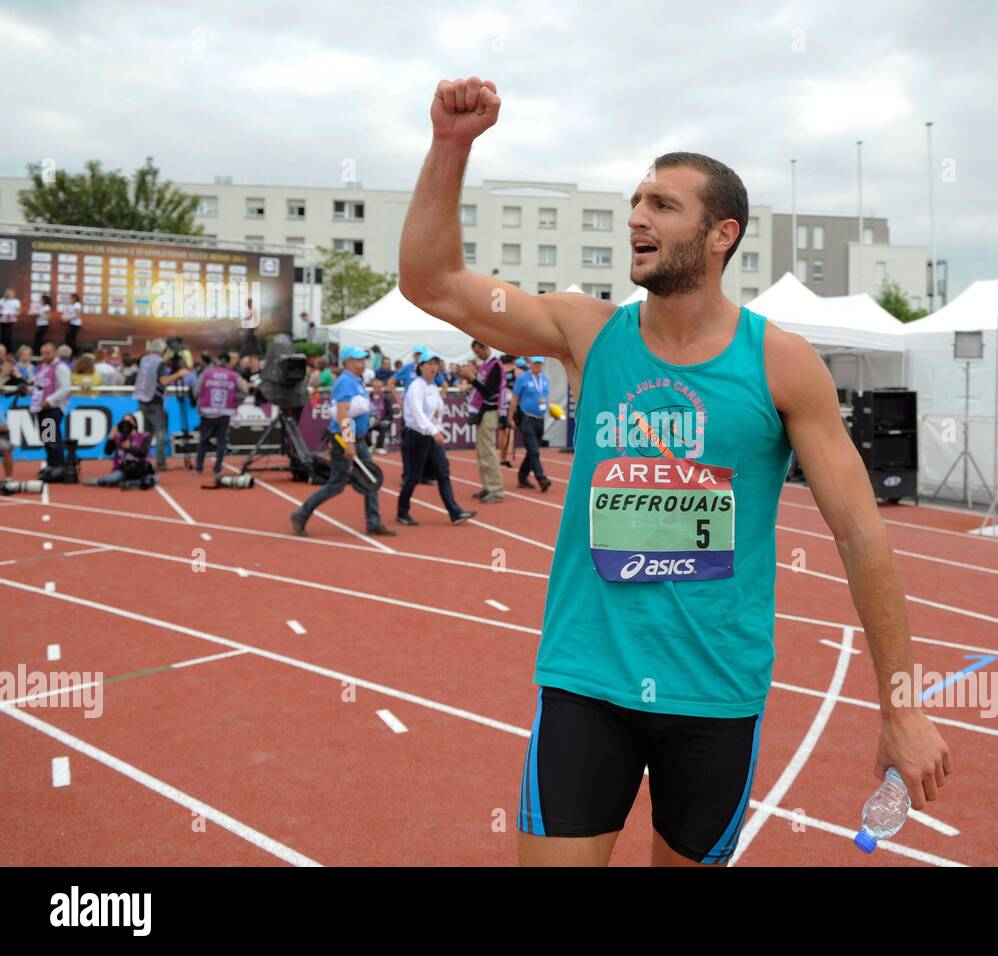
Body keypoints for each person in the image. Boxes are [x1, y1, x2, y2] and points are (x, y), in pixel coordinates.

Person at [397, 77, 950, 867]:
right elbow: (435, 285)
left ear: (722, 234)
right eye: (635, 201)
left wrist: (902, 708)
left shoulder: (781, 364)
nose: (636, 218)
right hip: (589, 680)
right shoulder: (585, 330)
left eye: (661, 204)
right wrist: (451, 148)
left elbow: (863, 535)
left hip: (715, 695)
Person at [289, 346, 396, 538]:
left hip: (359, 439)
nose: (362, 363)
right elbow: (342, 414)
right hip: (345, 440)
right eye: (358, 360)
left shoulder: (357, 380)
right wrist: (348, 443)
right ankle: (301, 514)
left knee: (371, 479)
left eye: (363, 360)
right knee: (336, 484)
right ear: (347, 362)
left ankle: (374, 522)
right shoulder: (345, 382)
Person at [396, 346, 477, 526]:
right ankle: (402, 512)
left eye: (435, 364)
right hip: (417, 436)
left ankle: (455, 512)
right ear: (421, 366)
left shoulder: (433, 386)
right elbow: (417, 413)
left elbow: (436, 413)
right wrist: (434, 431)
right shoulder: (416, 386)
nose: (433, 367)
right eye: (429, 364)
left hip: (432, 437)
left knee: (443, 473)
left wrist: (437, 430)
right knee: (413, 476)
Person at [134, 338, 188, 471]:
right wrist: (178, 374)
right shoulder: (159, 362)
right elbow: (163, 381)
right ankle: (160, 461)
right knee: (160, 432)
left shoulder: (145, 360)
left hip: (142, 398)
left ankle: (142, 458)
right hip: (154, 399)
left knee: (147, 432)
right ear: (163, 351)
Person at [193, 351, 249, 475]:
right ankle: (217, 469)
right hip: (225, 412)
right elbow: (245, 391)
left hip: (207, 411)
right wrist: (234, 399)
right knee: (222, 442)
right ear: (228, 362)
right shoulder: (233, 375)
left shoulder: (206, 374)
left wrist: (202, 398)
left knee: (203, 440)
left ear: (216, 361)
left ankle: (198, 468)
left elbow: (196, 391)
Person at [465, 339, 506, 503]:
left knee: (488, 451)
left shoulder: (495, 365)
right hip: (483, 412)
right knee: (481, 451)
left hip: (489, 412)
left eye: (479, 351)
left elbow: (489, 392)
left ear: (486, 347)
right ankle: (487, 486)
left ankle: (496, 490)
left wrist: (472, 379)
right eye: (476, 353)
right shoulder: (487, 365)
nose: (478, 355)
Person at [508, 356, 552, 492]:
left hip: (540, 419)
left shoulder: (544, 379)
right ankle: (541, 478)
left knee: (532, 451)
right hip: (526, 418)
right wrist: (510, 418)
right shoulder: (522, 379)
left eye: (540, 363)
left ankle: (522, 477)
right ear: (530, 363)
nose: (538, 365)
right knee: (534, 450)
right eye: (535, 362)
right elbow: (514, 400)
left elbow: (545, 398)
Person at [28, 342, 73, 472]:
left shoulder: (61, 368)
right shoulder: (41, 367)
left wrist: (49, 400)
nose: (45, 356)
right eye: (43, 353)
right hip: (41, 407)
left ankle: (57, 466)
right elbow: (39, 385)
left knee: (52, 438)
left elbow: (65, 389)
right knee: (47, 438)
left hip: (53, 408)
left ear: (54, 353)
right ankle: (52, 464)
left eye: (47, 353)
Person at [82, 417, 153, 487]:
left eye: (130, 420)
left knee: (154, 479)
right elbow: (108, 452)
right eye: (125, 421)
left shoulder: (143, 436)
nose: (127, 423)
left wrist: (130, 448)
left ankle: (128, 482)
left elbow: (143, 453)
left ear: (135, 423)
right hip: (123, 469)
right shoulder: (118, 437)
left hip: (139, 469)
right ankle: (98, 481)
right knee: (114, 478)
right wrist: (110, 438)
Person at [0, 287, 19, 354]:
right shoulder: (2, 300)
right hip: (3, 321)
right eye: (8, 293)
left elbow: (17, 312)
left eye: (11, 293)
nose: (9, 294)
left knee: (9, 337)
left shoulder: (15, 301)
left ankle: (10, 352)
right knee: (3, 337)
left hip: (11, 321)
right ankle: (2, 351)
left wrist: (11, 313)